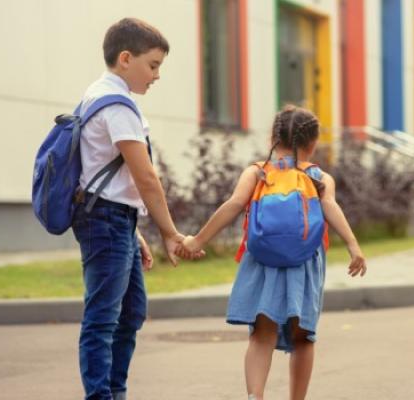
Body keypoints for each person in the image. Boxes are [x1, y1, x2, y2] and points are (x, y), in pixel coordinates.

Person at [178, 105, 367, 400]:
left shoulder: (257, 172)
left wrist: (197, 241)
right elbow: (330, 206)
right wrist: (353, 245)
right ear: (313, 142)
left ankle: (255, 396)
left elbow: (233, 205)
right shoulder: (319, 177)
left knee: (261, 335)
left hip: (262, 260)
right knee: (303, 338)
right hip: (304, 263)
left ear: (273, 138)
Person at [72, 17, 201, 400]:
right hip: (106, 220)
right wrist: (169, 232)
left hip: (117, 220)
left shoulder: (99, 96)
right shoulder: (117, 105)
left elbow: (104, 172)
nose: (157, 75)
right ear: (126, 58)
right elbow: (145, 178)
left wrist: (136, 230)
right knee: (102, 319)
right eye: (153, 65)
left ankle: (114, 392)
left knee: (130, 313)